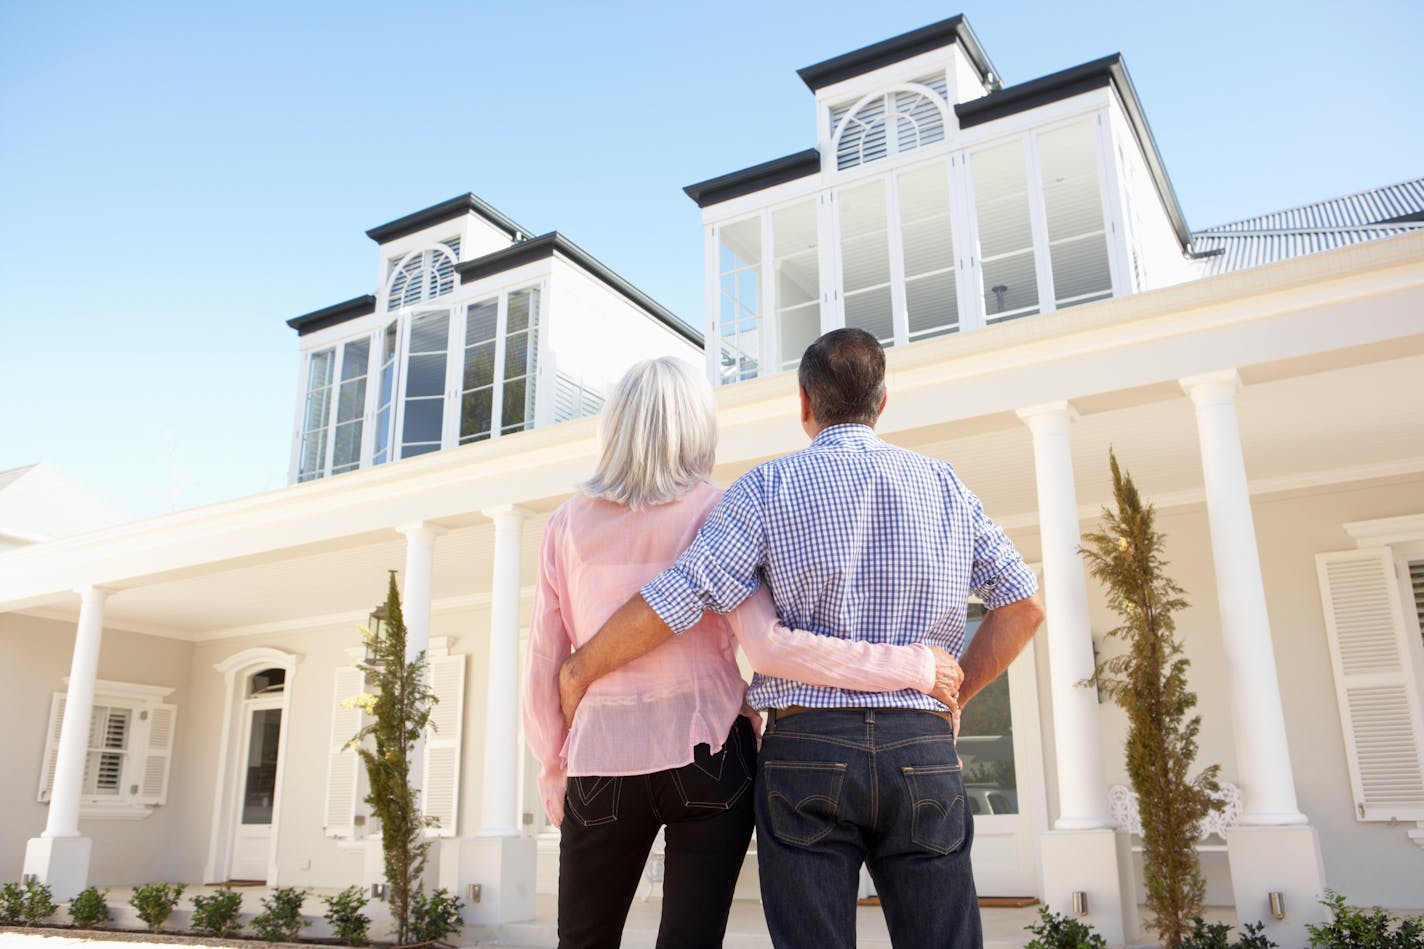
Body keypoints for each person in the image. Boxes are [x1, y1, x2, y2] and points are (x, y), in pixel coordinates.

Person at [559, 329, 1045, 949]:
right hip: (920, 746)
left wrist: (580, 669)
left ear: (804, 402)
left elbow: (680, 596)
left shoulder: (764, 489)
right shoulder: (946, 487)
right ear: (883, 401)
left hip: (807, 747)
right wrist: (956, 693)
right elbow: (1023, 607)